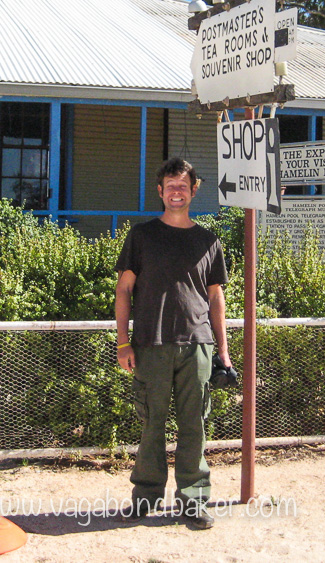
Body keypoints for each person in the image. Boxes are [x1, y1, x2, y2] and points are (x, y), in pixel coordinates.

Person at [115, 157, 231, 529]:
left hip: (197, 344)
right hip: (150, 344)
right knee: (152, 424)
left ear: (193, 190)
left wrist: (223, 352)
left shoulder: (208, 240)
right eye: (170, 186)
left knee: (194, 425)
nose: (176, 192)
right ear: (160, 191)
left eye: (183, 186)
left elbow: (215, 297)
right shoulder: (142, 235)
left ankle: (193, 501)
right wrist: (123, 343)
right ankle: (145, 497)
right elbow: (123, 290)